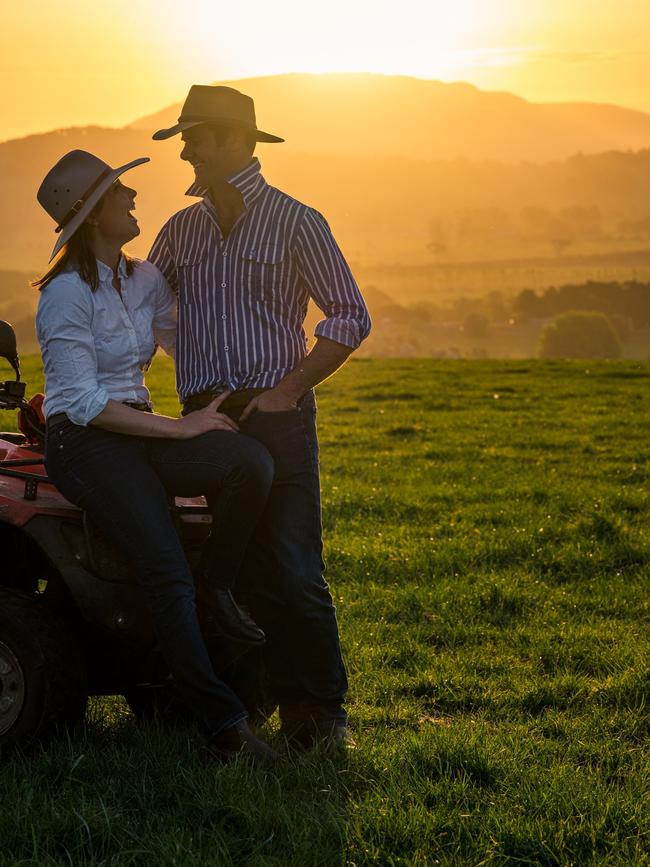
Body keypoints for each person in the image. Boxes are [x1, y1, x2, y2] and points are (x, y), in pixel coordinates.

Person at [34, 148, 277, 761]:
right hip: (86, 444)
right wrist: (180, 429)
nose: (133, 198)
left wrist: (230, 383)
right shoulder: (64, 295)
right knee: (166, 571)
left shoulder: (143, 278)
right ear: (92, 216)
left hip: (140, 430)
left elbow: (179, 337)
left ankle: (217, 588)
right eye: (120, 193)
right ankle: (223, 724)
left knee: (247, 463)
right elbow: (85, 403)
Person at [149, 85, 371, 747]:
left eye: (198, 138)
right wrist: (192, 371)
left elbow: (349, 316)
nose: (187, 150)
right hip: (206, 421)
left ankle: (321, 713)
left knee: (295, 567)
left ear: (236, 142)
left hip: (278, 418)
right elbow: (142, 312)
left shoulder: (298, 220)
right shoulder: (179, 230)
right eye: (186, 138)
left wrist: (285, 389)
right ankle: (247, 702)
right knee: (231, 566)